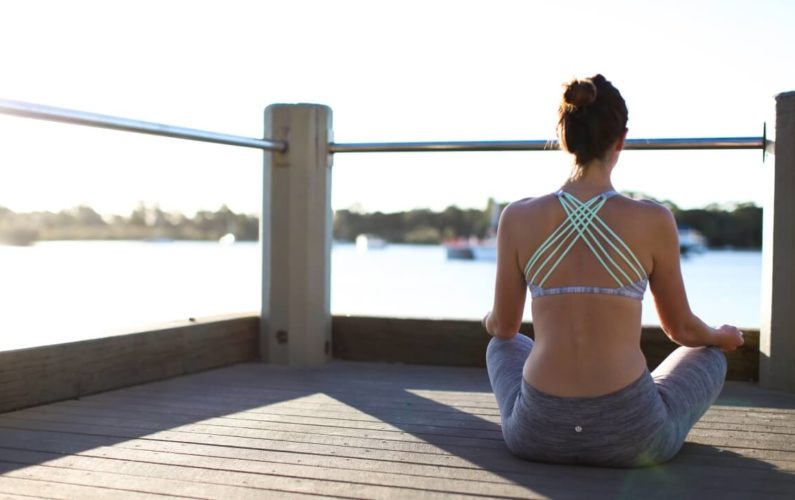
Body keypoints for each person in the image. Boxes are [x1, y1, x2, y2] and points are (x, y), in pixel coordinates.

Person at [482, 74, 745, 467]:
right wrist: (720, 337)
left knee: (502, 344)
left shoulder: (517, 217)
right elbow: (682, 331)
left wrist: (490, 317)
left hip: (536, 434)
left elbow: (503, 327)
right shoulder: (653, 219)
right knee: (709, 355)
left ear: (564, 134)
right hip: (633, 439)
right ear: (620, 139)